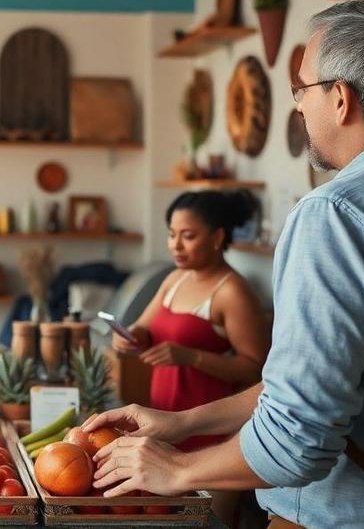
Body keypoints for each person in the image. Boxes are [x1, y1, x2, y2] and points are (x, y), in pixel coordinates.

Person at [84, 0, 364, 529]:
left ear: (341, 98)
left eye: (302, 88)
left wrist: (177, 470)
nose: (299, 105)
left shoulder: (336, 215)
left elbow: (296, 446)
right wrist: (182, 424)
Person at [111, 190, 269, 524]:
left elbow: (255, 367)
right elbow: (143, 326)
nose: (176, 246)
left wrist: (191, 357)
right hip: (163, 428)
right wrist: (130, 337)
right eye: (171, 235)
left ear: (217, 237)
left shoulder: (232, 291)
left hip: (212, 436)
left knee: (207, 522)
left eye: (188, 236)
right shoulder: (174, 279)